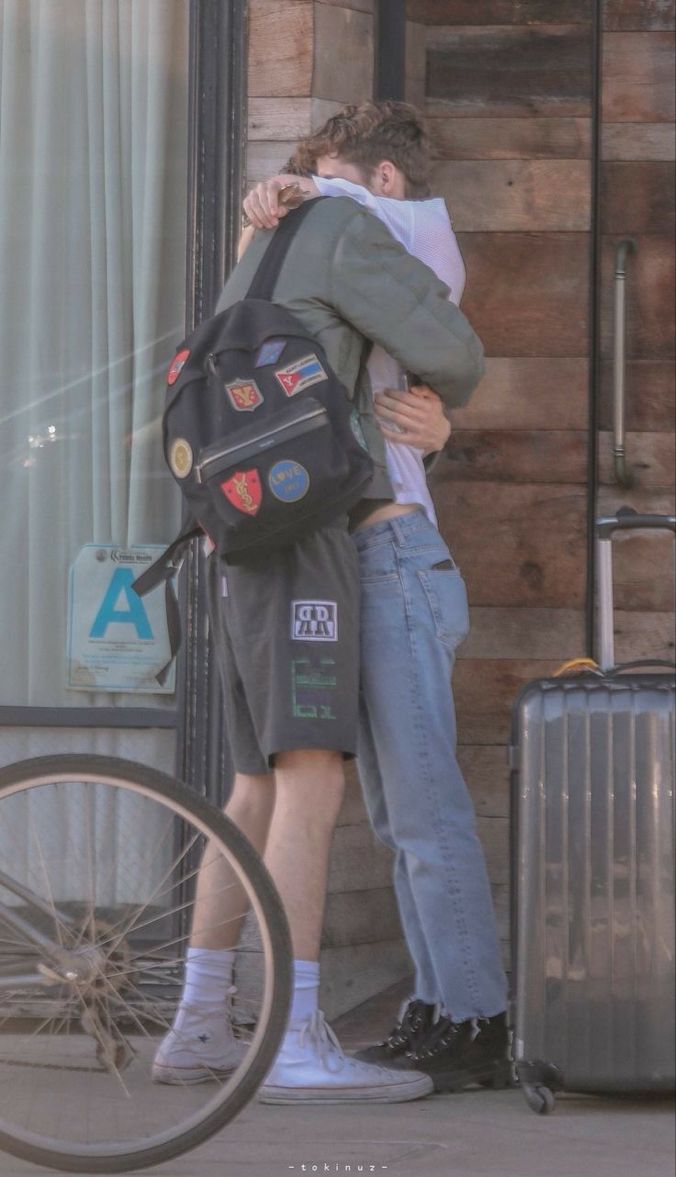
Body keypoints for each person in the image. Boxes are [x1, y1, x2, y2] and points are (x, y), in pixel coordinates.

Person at [152, 101, 486, 1104]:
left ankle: (199, 1023)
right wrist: (433, 403)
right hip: (309, 535)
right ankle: (294, 1039)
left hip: (236, 533)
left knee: (252, 788)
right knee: (311, 785)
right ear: (382, 178)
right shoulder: (344, 222)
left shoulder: (259, 237)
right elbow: (459, 353)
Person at [239, 101, 511, 1094]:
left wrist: (305, 191)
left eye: (335, 180)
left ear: (379, 181)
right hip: (362, 557)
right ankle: (442, 1006)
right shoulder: (362, 247)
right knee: (401, 816)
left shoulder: (408, 227)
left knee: (424, 808)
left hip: (397, 556)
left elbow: (445, 333)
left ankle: (477, 1017)